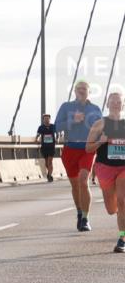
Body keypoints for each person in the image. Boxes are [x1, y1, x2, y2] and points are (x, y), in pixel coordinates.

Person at [54, 81, 103, 231]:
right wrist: (72, 120)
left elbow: (102, 129)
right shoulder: (66, 107)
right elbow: (56, 127)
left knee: (83, 180)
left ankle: (86, 219)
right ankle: (79, 213)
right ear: (74, 91)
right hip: (70, 149)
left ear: (89, 92)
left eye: (84, 89)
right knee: (75, 185)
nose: (81, 91)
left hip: (87, 149)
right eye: (79, 89)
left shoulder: (95, 109)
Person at [84, 91, 125, 253]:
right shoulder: (99, 124)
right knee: (111, 209)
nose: (115, 103)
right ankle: (120, 213)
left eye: (118, 101)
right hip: (105, 168)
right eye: (112, 101)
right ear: (107, 104)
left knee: (122, 201)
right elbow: (88, 148)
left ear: (123, 105)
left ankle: (122, 238)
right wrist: (100, 142)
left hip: (123, 168)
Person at [35, 114, 57, 182]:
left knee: (50, 162)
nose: (47, 120)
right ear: (43, 120)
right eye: (45, 119)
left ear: (50, 119)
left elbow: (57, 133)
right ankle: (49, 173)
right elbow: (38, 134)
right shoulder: (41, 127)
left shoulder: (53, 126)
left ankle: (49, 175)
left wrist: (57, 138)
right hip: (44, 147)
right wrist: (36, 139)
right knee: (46, 163)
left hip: (51, 146)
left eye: (48, 118)